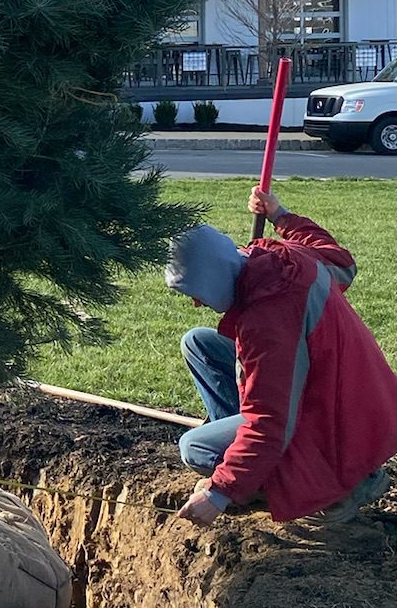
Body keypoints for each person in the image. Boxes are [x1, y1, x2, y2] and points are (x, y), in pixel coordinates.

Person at [164, 186, 395, 529]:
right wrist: (280, 215)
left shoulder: (269, 322)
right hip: (359, 398)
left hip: (334, 427)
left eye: (195, 292)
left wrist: (219, 493)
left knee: (196, 449)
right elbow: (341, 263)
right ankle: (248, 463)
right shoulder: (280, 258)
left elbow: (270, 422)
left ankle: (334, 490)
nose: (197, 303)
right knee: (199, 343)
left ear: (212, 278)